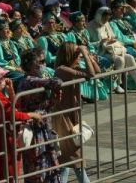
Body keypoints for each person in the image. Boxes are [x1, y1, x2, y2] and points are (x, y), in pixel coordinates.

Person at [0, 64, 41, 182]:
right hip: (5, 137)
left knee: (5, 170)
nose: (5, 80)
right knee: (10, 171)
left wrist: (11, 91)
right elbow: (13, 114)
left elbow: (14, 107)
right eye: (2, 78)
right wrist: (32, 115)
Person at [15, 48, 63, 183]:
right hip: (34, 129)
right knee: (37, 164)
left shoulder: (35, 79)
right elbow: (56, 81)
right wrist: (56, 87)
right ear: (30, 64)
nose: (44, 65)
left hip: (44, 125)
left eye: (44, 61)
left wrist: (54, 98)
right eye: (41, 61)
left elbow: (46, 107)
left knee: (49, 162)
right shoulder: (29, 80)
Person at [52, 43, 92, 183]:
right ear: (70, 55)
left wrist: (89, 57)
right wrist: (85, 55)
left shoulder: (71, 68)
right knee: (75, 157)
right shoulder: (63, 70)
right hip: (63, 116)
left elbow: (96, 71)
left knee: (67, 158)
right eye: (77, 53)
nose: (79, 55)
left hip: (72, 114)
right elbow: (91, 74)